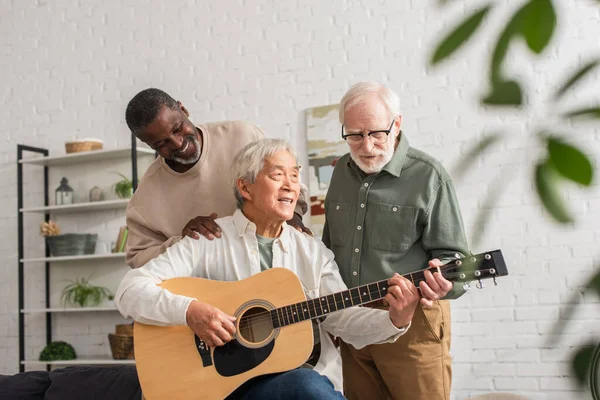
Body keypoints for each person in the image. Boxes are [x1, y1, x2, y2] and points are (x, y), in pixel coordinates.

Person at [115, 139, 452, 399]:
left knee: (306, 383)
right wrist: (190, 311)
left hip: (292, 383)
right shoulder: (209, 239)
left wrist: (396, 319)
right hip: (216, 388)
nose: (292, 186)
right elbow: (130, 290)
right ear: (245, 187)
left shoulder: (311, 251)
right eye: (278, 175)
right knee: (306, 386)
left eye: (295, 175)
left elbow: (341, 319)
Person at [322, 82, 471, 400]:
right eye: (354, 135)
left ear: (397, 124)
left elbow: (456, 258)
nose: (366, 146)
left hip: (413, 321)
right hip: (353, 320)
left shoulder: (429, 175)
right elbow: (328, 250)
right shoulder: (339, 174)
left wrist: (444, 282)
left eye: (376, 133)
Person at [123, 88, 309, 269]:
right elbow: (139, 259)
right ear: (146, 143)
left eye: (178, 128)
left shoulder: (243, 136)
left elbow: (290, 185)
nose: (178, 144)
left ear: (183, 109)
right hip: (214, 291)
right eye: (161, 143)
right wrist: (184, 242)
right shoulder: (145, 198)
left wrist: (294, 218)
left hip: (279, 266)